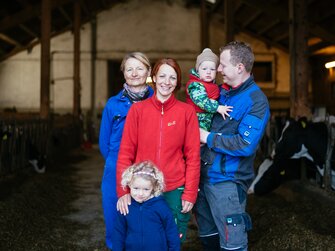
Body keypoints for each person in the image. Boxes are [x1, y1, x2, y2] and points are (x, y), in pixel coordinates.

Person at [194, 41, 270, 251]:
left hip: (226, 183)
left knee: (232, 243)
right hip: (202, 177)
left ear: (239, 67)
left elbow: (244, 144)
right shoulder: (221, 92)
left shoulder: (256, 101)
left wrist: (206, 137)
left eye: (223, 65)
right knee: (208, 236)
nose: (218, 69)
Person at [116, 58, 200, 243]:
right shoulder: (138, 111)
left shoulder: (186, 112)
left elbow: (193, 156)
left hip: (175, 188)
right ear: (153, 77)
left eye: (172, 77)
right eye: (162, 76)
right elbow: (125, 154)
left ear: (178, 81)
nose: (166, 82)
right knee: (144, 240)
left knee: (172, 241)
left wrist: (190, 193)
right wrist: (123, 191)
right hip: (142, 189)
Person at [99, 52, 154, 250]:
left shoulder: (157, 102)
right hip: (117, 168)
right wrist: (119, 164)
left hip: (149, 168)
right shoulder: (113, 104)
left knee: (148, 223)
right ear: (123, 73)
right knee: (115, 221)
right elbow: (104, 142)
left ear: (148, 71)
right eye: (129, 69)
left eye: (140, 68)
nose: (134, 73)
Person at [112, 161, 180, 251]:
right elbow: (119, 232)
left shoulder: (161, 206)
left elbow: (171, 231)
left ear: (154, 187)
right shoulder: (125, 206)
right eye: (136, 188)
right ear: (129, 184)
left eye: (146, 189)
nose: (140, 193)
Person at [186, 48, 233, 131]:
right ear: (198, 71)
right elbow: (202, 101)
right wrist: (218, 108)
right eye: (204, 69)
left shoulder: (213, 85)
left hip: (207, 121)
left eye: (212, 69)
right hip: (196, 120)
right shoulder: (195, 85)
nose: (208, 72)